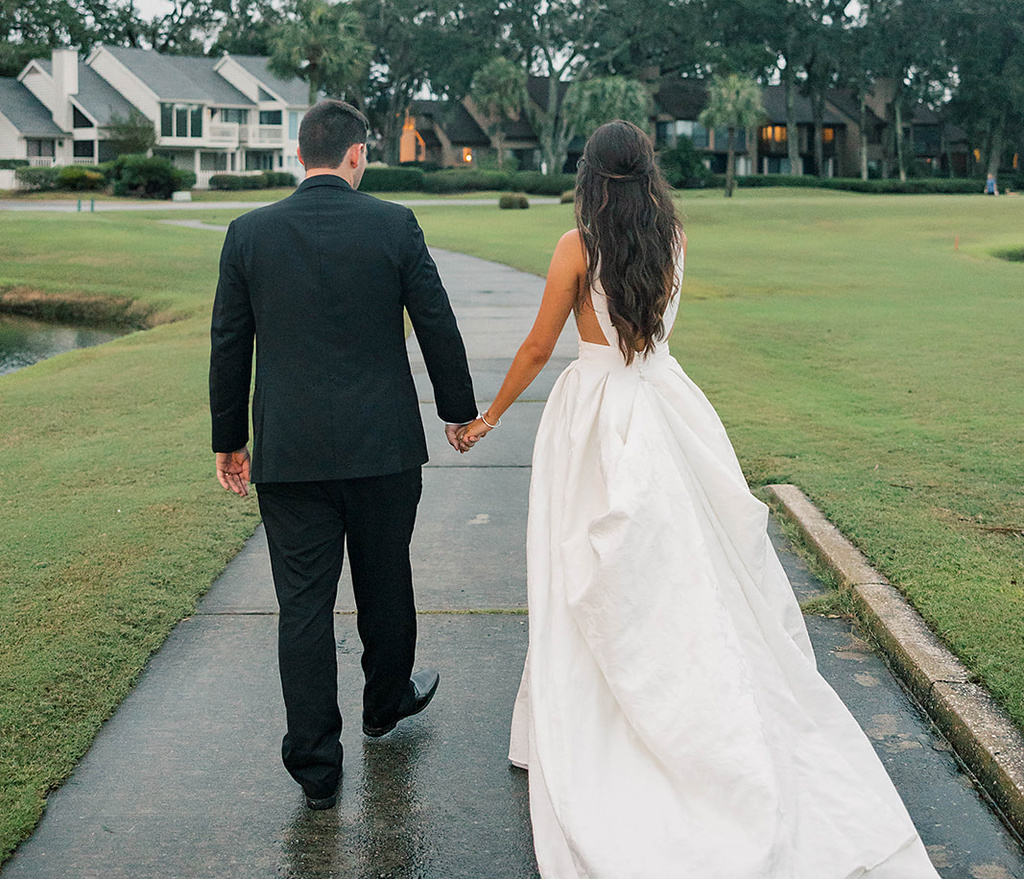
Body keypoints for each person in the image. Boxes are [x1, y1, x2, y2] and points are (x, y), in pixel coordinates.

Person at [457, 121, 940, 878]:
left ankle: (595, 718)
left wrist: (488, 417)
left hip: (595, 415)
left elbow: (538, 346)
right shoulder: (673, 238)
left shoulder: (577, 246)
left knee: (582, 565)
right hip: (665, 403)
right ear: (648, 171)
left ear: (589, 176)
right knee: (678, 567)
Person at [210, 99, 477, 810]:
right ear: (357, 154)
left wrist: (228, 439)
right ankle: (384, 705)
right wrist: (457, 411)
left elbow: (229, 343)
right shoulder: (394, 224)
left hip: (290, 452)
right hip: (383, 447)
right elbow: (436, 320)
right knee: (385, 581)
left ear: (301, 156)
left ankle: (315, 767)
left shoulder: (248, 234)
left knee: (302, 604)